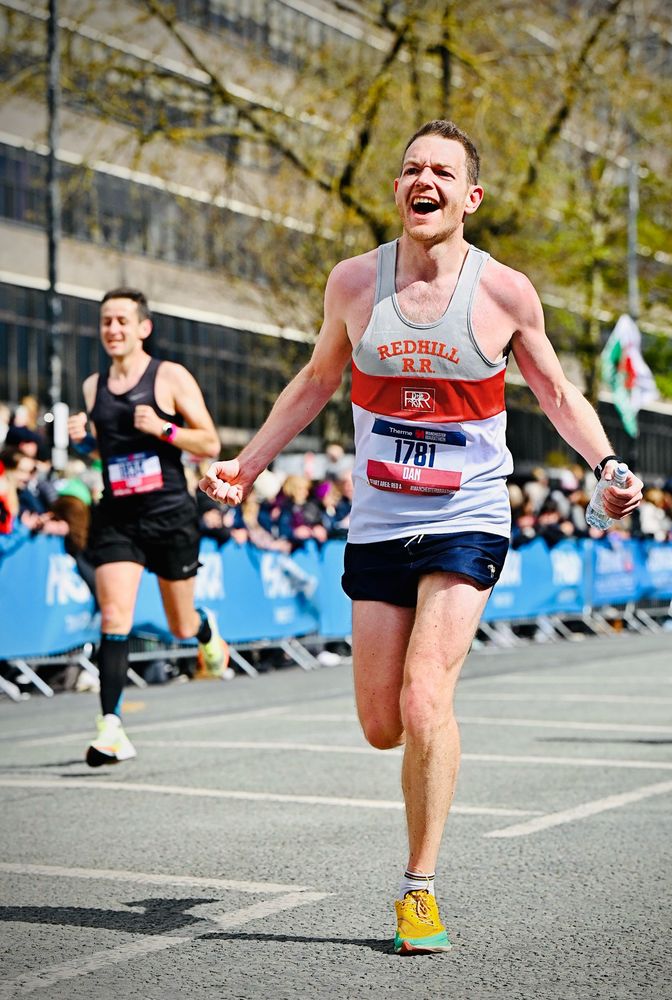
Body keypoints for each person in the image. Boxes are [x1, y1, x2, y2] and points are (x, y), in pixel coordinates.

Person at [199, 120, 644, 954]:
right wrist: (250, 463)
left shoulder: (505, 292)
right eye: (410, 169)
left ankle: (419, 889)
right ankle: (423, 748)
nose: (422, 180)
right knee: (380, 723)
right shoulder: (354, 284)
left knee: (423, 696)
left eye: (441, 170)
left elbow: (555, 391)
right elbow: (317, 379)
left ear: (470, 197)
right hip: (379, 522)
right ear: (399, 190)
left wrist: (609, 463)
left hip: (466, 516)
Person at [68, 287, 231, 768]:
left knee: (180, 624)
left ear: (143, 328)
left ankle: (204, 630)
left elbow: (210, 441)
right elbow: (103, 453)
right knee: (113, 615)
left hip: (168, 515)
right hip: (117, 514)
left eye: (122, 321)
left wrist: (165, 429)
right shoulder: (92, 386)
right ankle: (111, 729)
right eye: (105, 322)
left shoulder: (169, 377)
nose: (113, 330)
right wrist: (82, 444)